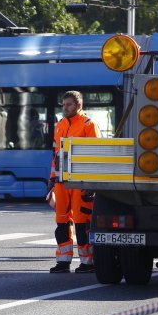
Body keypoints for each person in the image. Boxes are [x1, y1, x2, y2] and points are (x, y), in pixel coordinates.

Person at [48, 90, 101, 273]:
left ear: (79, 105)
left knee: (81, 221)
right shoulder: (60, 125)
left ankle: (88, 262)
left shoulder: (89, 125)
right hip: (62, 181)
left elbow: (96, 156)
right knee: (61, 221)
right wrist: (52, 180)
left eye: (69, 104)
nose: (65, 107)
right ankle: (63, 261)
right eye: (63, 104)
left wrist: (91, 184)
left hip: (81, 181)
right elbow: (56, 156)